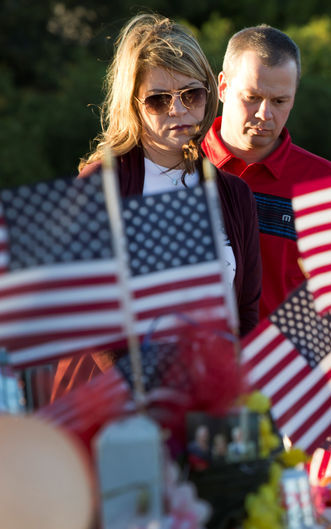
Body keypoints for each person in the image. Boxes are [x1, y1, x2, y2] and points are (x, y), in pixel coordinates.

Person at [51, 14, 261, 400]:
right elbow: (86, 312)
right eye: (159, 99)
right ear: (133, 103)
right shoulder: (100, 186)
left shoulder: (234, 195)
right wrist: (152, 394)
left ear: (209, 93)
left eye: (191, 94)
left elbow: (245, 313)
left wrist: (221, 391)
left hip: (205, 410)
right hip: (109, 408)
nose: (178, 110)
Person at [202, 25, 331, 318]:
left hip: (281, 359)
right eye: (252, 97)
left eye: (279, 101)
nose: (265, 115)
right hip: (185, 358)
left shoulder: (322, 179)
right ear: (223, 87)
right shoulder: (176, 160)